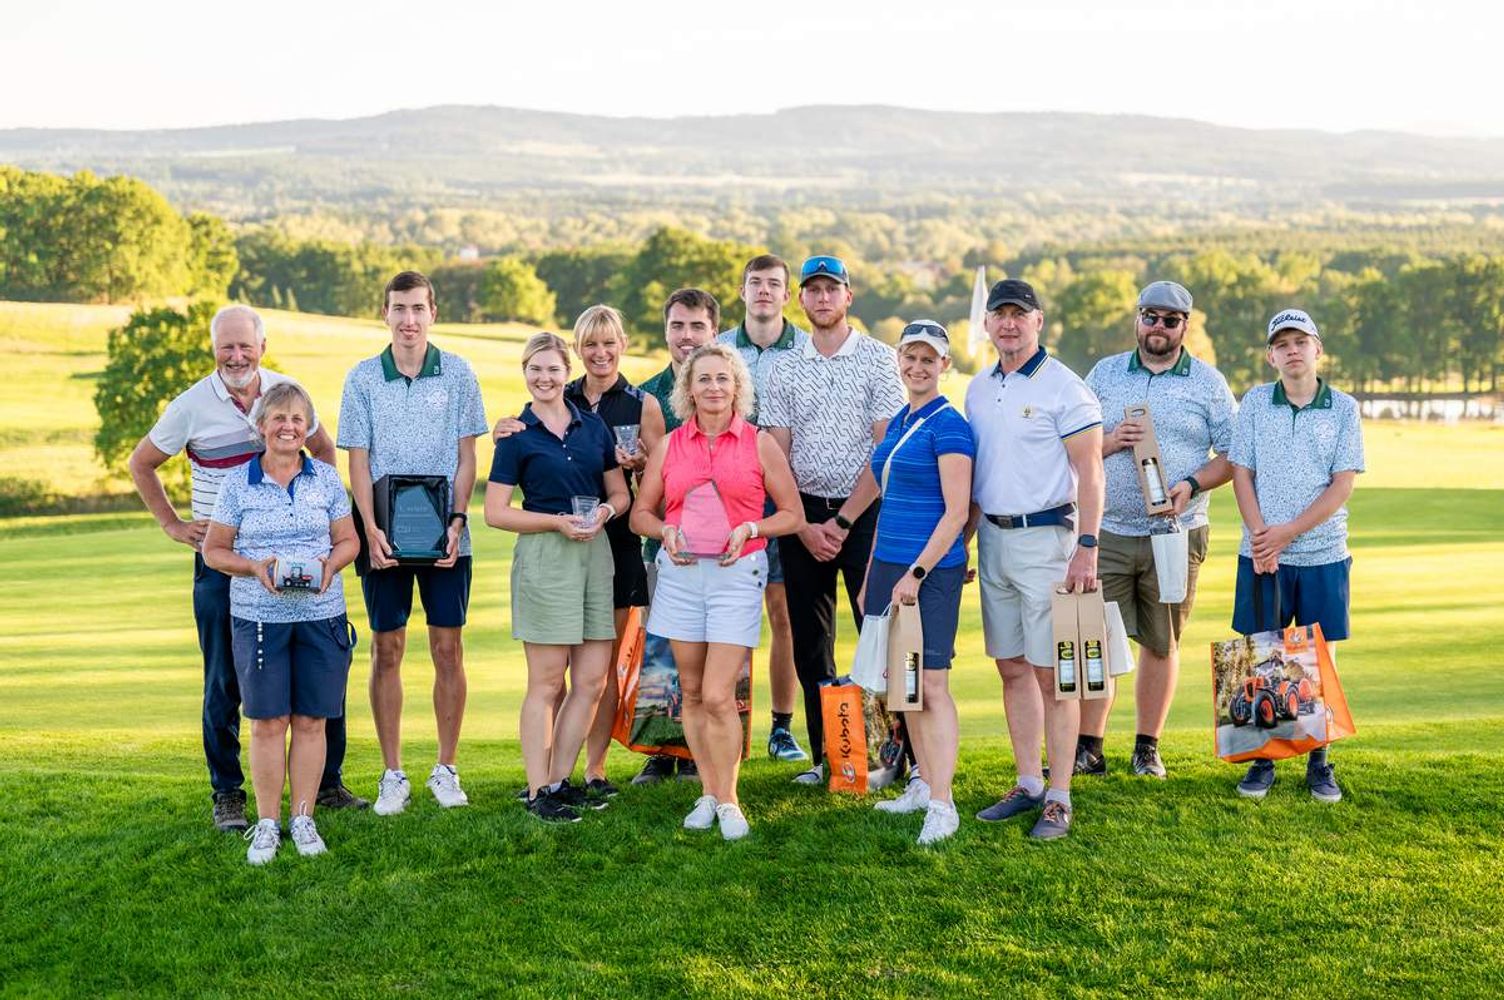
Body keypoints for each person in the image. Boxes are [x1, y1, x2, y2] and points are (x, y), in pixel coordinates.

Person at [127, 304, 360, 832]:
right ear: (214, 349)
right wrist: (172, 524)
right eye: (226, 347)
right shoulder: (190, 405)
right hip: (225, 558)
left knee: (319, 675)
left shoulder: (287, 394)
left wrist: (314, 519)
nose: (236, 356)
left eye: (245, 346)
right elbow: (141, 463)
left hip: (304, 568)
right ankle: (228, 793)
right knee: (224, 678)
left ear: (262, 347)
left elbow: (324, 452)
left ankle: (326, 784)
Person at [492, 305, 667, 799]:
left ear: (565, 371)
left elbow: (624, 493)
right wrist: (556, 521)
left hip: (602, 555)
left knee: (593, 678)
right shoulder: (520, 431)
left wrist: (607, 511)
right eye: (535, 369)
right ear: (526, 373)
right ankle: (539, 789)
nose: (544, 377)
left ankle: (565, 778)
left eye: (552, 369)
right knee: (549, 680)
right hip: (548, 557)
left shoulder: (599, 424)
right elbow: (497, 511)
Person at [630, 343, 803, 839]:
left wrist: (751, 529)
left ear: (737, 387)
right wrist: (664, 531)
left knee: (718, 694)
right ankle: (708, 792)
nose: (713, 387)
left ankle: (729, 800)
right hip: (681, 577)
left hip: (736, 576)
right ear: (688, 388)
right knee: (690, 691)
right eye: (703, 379)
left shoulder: (758, 443)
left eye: (722, 379)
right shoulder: (670, 446)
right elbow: (641, 514)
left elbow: (792, 515)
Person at [338, 271, 488, 815]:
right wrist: (369, 529)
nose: (408, 320)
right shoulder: (362, 378)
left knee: (448, 649)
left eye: (418, 308)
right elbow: (357, 462)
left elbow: (468, 457)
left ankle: (446, 768)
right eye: (399, 309)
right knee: (387, 648)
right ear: (384, 313)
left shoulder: (459, 372)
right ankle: (392, 773)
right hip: (383, 537)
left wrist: (458, 519)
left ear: (433, 313)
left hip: (446, 536)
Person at [1078, 281, 1237, 778]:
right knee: (1096, 640)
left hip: (1177, 532)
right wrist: (1109, 441)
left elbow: (1234, 455)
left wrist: (1192, 484)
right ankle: (1089, 747)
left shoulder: (1208, 382)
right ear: (1138, 319)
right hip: (1106, 530)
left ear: (1185, 326)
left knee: (1161, 641)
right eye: (1151, 316)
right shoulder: (1104, 373)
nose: (1158, 327)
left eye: (1170, 320)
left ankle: (1147, 747)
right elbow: (1074, 442)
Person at [965, 279, 1104, 841]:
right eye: (999, 314)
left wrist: (1087, 548)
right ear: (987, 323)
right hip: (993, 540)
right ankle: (1028, 783)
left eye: (1019, 314)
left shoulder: (1065, 388)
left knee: (1054, 676)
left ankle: (1060, 797)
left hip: (1049, 541)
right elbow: (981, 477)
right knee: (1012, 667)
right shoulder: (978, 389)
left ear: (1038, 321)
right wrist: (964, 542)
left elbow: (1091, 472)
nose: (1008, 323)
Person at [760, 255, 907, 784]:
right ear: (801, 298)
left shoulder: (879, 359)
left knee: (879, 634)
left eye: (832, 289)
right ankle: (830, 759)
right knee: (811, 643)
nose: (823, 298)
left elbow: (884, 451)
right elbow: (775, 454)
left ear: (848, 296)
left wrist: (842, 523)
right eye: (814, 290)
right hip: (801, 515)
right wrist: (801, 524)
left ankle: (897, 756)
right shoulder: (783, 366)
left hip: (864, 515)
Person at [202, 382, 360, 863]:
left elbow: (349, 541)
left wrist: (330, 566)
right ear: (260, 426)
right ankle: (268, 824)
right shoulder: (237, 483)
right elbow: (214, 551)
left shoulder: (326, 479)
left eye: (297, 419)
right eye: (278, 418)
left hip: (321, 616)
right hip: (258, 618)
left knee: (311, 720)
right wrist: (253, 567)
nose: (288, 427)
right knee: (269, 722)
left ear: (308, 427)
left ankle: (304, 818)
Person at [1230, 308, 1363, 803]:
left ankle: (1319, 761)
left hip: (1322, 553)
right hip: (1262, 553)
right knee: (1262, 655)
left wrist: (1285, 534)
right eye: (1282, 344)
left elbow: (1342, 485)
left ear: (1317, 349)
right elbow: (1241, 473)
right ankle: (1262, 759)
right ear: (1271, 356)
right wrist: (1262, 538)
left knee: (1319, 660)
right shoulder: (1254, 402)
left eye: (1300, 342)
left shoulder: (1344, 408)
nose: (1292, 351)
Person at [860, 321, 975, 845]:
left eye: (929, 359)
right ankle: (923, 784)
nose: (918, 367)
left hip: (929, 571)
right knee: (903, 686)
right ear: (899, 361)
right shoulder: (900, 420)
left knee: (930, 685)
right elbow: (886, 506)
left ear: (944, 365)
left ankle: (943, 804)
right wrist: (872, 574)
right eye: (910, 357)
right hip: (889, 567)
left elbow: (956, 513)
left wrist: (916, 573)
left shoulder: (950, 426)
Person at [717, 254, 811, 765]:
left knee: (784, 615)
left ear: (786, 295)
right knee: (728, 616)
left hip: (784, 498)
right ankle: (728, 724)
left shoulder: (807, 350)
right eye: (755, 283)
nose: (764, 291)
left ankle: (781, 727)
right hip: (728, 500)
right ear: (742, 290)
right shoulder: (720, 348)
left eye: (774, 284)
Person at [631, 288, 723, 785]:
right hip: (662, 543)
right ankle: (661, 749)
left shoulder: (729, 389)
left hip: (722, 550)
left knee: (713, 652)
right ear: (666, 330)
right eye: (677, 326)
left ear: (714, 331)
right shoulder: (646, 395)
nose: (686, 336)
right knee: (661, 649)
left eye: (697, 327)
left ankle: (700, 750)